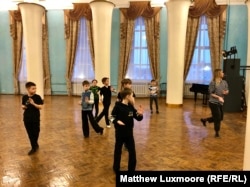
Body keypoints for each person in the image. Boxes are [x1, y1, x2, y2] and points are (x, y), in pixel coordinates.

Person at [111, 88, 144, 173]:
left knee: (132, 151)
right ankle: (116, 168)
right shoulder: (117, 106)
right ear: (127, 96)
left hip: (129, 133)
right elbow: (111, 118)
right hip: (119, 133)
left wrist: (140, 114)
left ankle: (131, 169)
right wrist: (117, 121)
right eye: (132, 96)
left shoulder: (130, 107)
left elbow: (138, 118)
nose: (133, 97)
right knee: (118, 150)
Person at [200, 68, 229, 138]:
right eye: (222, 72)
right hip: (213, 102)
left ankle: (205, 120)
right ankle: (217, 132)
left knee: (220, 117)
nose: (223, 73)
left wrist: (226, 92)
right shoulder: (213, 83)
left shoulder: (224, 82)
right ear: (218, 74)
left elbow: (227, 90)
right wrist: (218, 97)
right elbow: (211, 93)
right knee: (218, 117)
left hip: (220, 102)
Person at [21, 81, 43, 155]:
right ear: (28, 89)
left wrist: (33, 103)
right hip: (27, 118)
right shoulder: (24, 97)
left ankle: (35, 143)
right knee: (30, 133)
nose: (35, 90)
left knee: (36, 132)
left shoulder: (38, 97)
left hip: (35, 118)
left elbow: (40, 107)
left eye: (35, 88)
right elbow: (23, 106)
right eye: (33, 89)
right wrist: (23, 107)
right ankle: (33, 147)